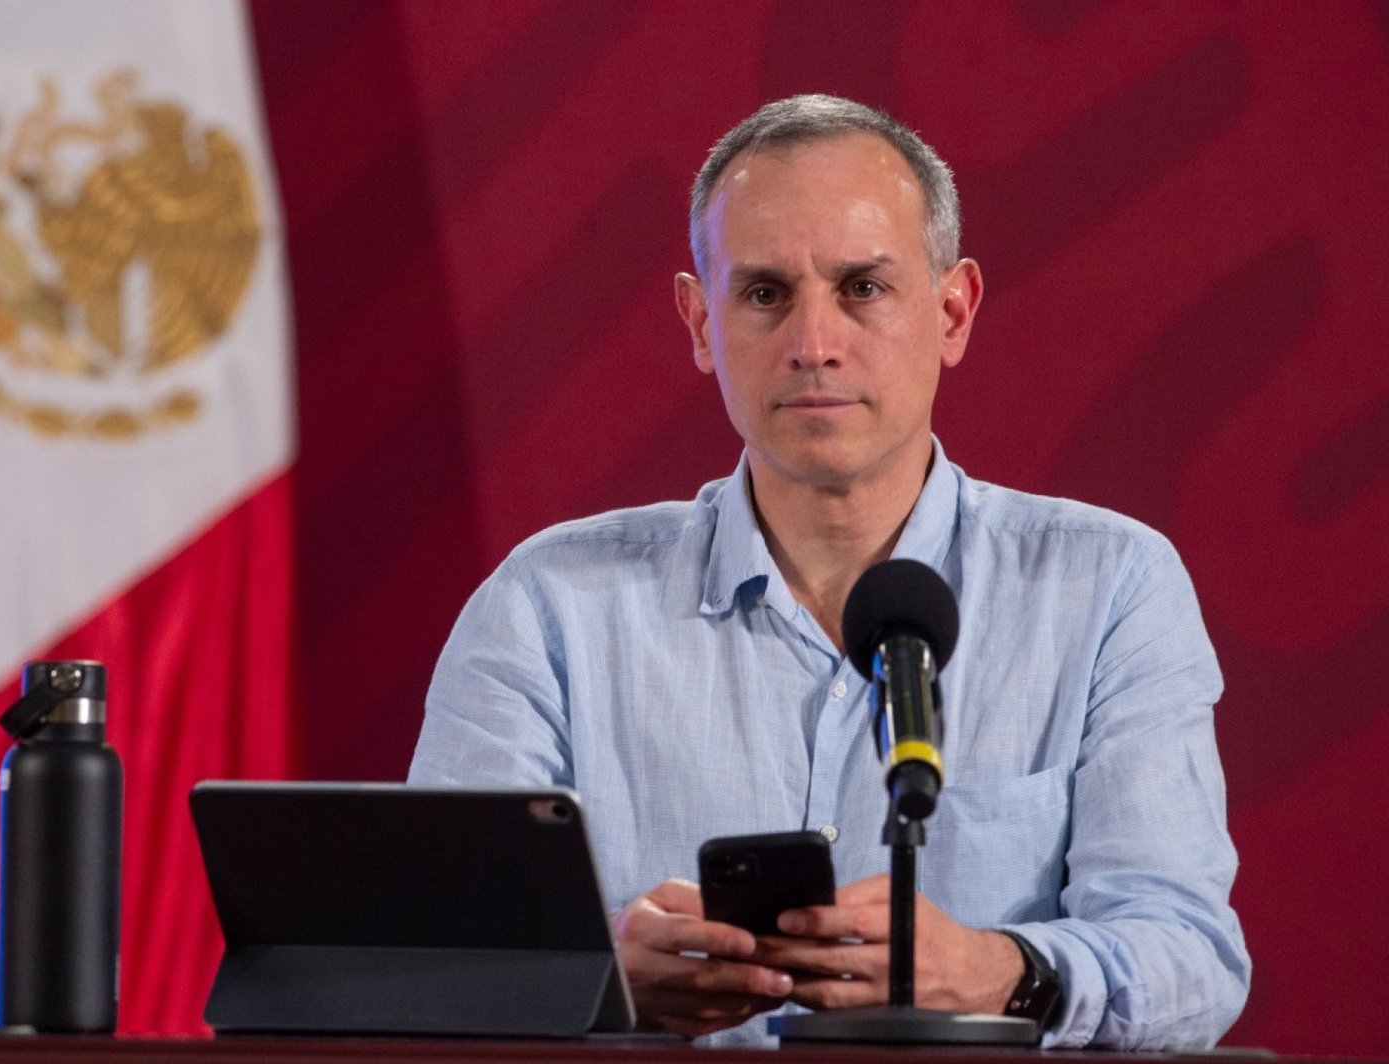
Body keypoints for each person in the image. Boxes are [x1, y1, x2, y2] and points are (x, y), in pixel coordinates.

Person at [408, 94, 1249, 1047]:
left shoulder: (1108, 590)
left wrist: (999, 971)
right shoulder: (547, 606)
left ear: (953, 311)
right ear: (700, 323)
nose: (813, 346)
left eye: (862, 288)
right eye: (766, 294)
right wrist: (597, 976)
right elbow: (428, 954)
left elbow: (1190, 957)